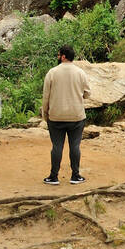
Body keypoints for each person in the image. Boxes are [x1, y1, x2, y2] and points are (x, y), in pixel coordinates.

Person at [40, 44, 90, 185]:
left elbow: (46, 96)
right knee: (75, 146)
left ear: (63, 56)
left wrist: (45, 114)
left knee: (57, 146)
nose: (57, 57)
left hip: (56, 116)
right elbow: (88, 93)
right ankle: (75, 176)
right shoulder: (80, 72)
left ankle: (53, 177)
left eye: (58, 54)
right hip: (76, 116)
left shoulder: (52, 73)